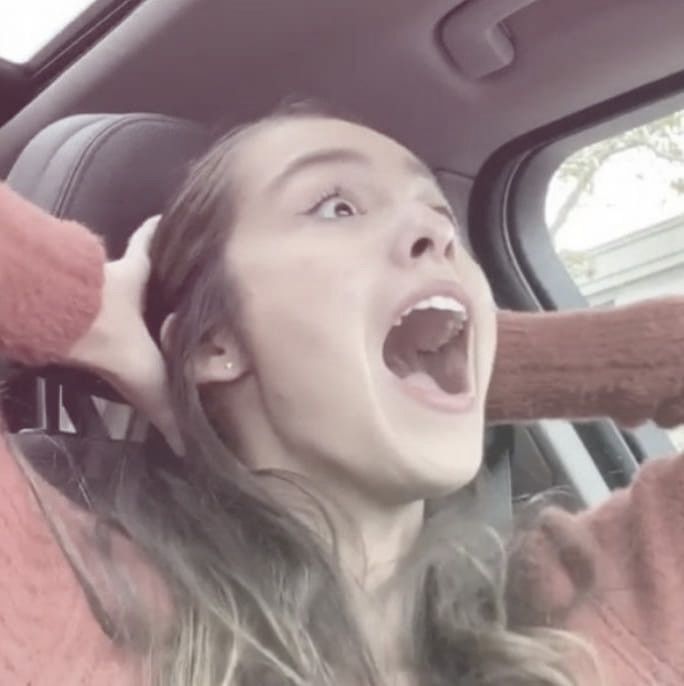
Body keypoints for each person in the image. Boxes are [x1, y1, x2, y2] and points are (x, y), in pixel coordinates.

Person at [0, 107, 683, 686]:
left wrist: (467, 351)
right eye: (338, 207)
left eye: (438, 213)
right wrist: (85, 309)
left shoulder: (584, 613)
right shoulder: (86, 618)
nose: (440, 234)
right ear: (214, 342)